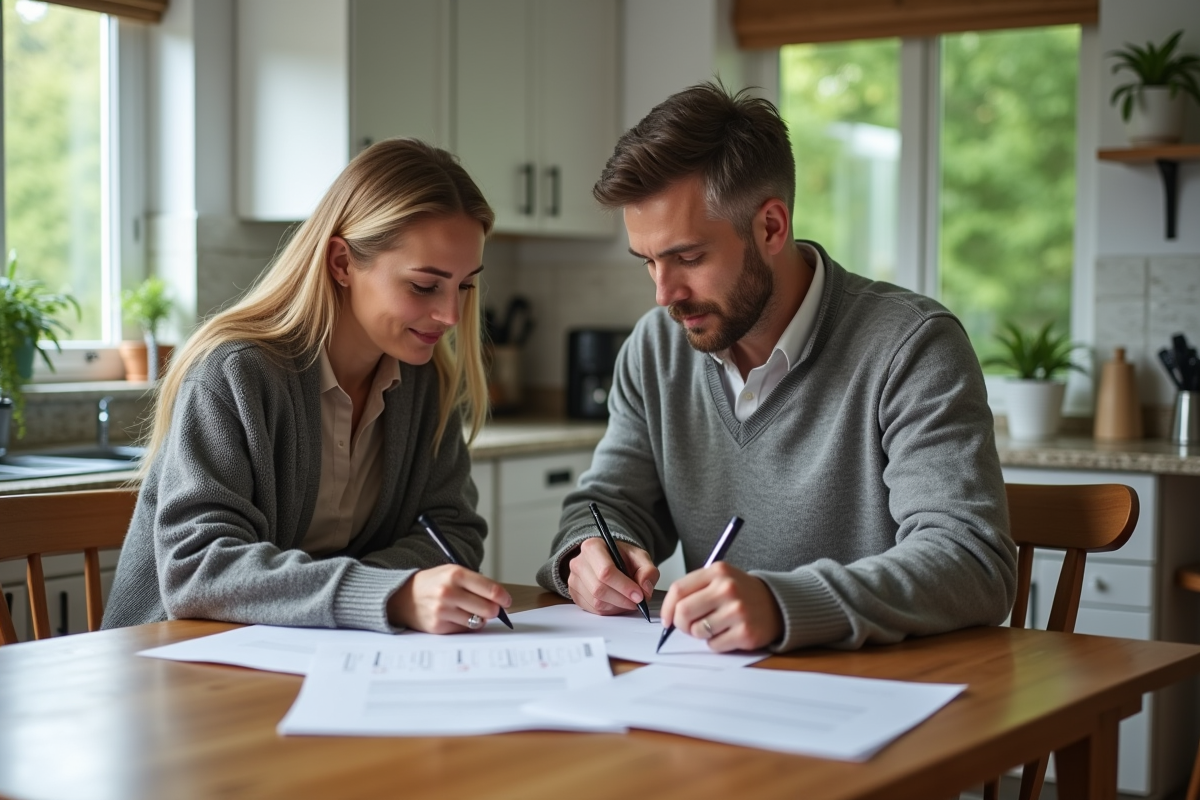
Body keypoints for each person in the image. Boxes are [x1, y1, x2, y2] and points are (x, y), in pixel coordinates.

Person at [536, 82, 1016, 653]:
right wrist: (592, 552)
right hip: (716, 693)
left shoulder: (911, 346)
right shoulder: (656, 350)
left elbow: (970, 561)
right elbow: (608, 502)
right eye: (648, 262)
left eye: (688, 257)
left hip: (884, 697)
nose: (664, 294)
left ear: (770, 227)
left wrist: (786, 604)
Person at [103, 139, 512, 635]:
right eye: (424, 286)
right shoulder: (234, 374)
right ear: (342, 263)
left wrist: (372, 596)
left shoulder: (425, 381)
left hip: (316, 655)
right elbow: (199, 569)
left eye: (465, 285)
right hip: (176, 670)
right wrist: (390, 593)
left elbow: (453, 534)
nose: (450, 315)